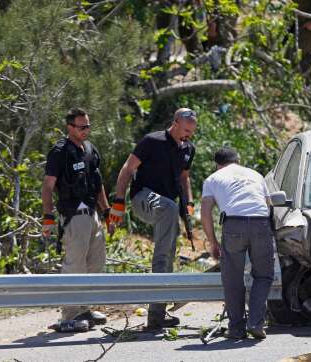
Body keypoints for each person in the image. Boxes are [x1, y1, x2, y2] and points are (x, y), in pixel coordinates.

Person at [109, 108, 197, 331]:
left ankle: (157, 315)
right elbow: (127, 169)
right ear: (175, 123)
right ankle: (159, 267)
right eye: (186, 130)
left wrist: (189, 202)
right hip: (142, 199)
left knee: (169, 254)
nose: (188, 135)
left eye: (192, 132)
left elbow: (184, 177)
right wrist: (118, 203)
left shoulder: (188, 148)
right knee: (168, 210)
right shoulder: (152, 140)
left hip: (166, 208)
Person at [42, 108, 111, 333]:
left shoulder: (90, 149)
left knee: (95, 263)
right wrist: (48, 217)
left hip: (92, 213)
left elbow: (98, 182)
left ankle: (84, 308)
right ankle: (69, 316)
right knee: (74, 264)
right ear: (69, 127)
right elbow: (48, 186)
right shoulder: (60, 152)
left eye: (88, 126)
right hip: (73, 213)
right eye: (81, 127)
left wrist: (107, 211)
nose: (86, 131)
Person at [200, 147, 275, 340]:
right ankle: (255, 323)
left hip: (233, 225)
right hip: (260, 223)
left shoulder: (213, 179)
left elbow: (205, 212)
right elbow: (268, 205)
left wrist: (212, 242)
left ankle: (236, 329)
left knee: (232, 279)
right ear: (238, 160)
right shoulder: (256, 175)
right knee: (264, 275)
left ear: (217, 164)